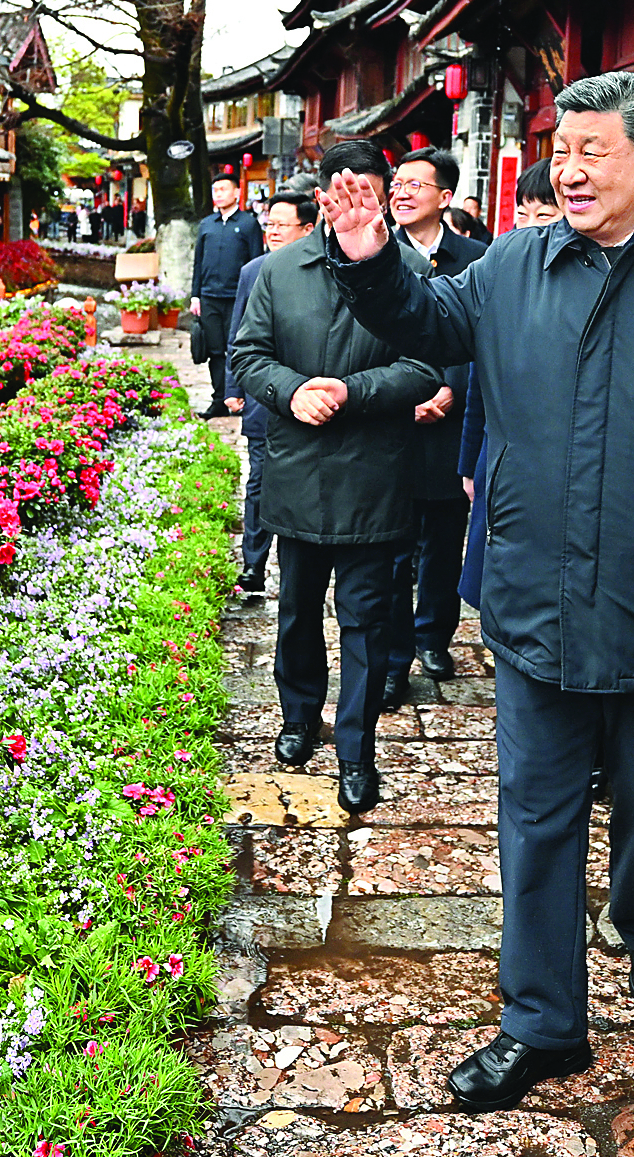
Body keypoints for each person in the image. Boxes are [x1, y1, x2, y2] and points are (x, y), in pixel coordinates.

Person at [319, 70, 634, 1113]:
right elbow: (429, 315)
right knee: (533, 818)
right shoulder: (513, 262)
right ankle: (541, 1021)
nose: (569, 167)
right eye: (561, 147)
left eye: (593, 148)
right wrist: (369, 259)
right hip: (536, 596)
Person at [228, 140, 443, 818]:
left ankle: (357, 750)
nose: (354, 203)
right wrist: (292, 391)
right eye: (341, 191)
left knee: (365, 622)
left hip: (374, 475)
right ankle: (298, 719)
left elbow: (426, 364)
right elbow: (247, 354)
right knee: (296, 613)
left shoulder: (407, 269)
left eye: (370, 192)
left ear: (382, 196)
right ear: (323, 196)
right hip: (297, 470)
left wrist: (352, 392)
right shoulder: (279, 269)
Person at [387, 147, 486, 698]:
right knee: (395, 547)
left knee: (446, 541)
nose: (400, 193)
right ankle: (395, 653)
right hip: (396, 424)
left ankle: (434, 638)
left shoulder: (477, 254)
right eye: (396, 183)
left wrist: (451, 385)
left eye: (414, 185)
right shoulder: (377, 256)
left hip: (452, 422)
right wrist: (407, 395)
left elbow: (484, 335)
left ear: (445, 197)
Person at [456, 161, 560, 615]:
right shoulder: (501, 271)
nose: (530, 226)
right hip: (498, 454)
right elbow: (481, 383)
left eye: (545, 215)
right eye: (523, 213)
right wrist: (468, 464)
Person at [224, 189, 316, 595]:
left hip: (311, 399)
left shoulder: (323, 271)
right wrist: (233, 387)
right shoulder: (253, 271)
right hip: (264, 401)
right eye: (270, 224)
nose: (273, 231)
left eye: (283, 224)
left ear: (308, 228)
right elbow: (238, 336)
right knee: (258, 482)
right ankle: (253, 566)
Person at [190, 172, 265, 419]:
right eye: (215, 190)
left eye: (223, 189)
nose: (219, 194)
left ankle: (238, 396)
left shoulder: (248, 224)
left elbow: (256, 260)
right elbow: (198, 262)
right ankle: (219, 399)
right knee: (214, 351)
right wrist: (195, 295)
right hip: (209, 296)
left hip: (237, 297)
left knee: (237, 348)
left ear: (236, 192)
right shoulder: (206, 224)